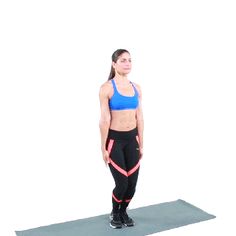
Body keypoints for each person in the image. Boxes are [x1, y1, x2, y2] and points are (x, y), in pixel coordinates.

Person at [99, 49, 144, 229]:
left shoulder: (136, 88)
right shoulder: (107, 88)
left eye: (130, 60)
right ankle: (114, 212)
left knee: (132, 184)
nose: (127, 63)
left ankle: (123, 211)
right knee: (122, 182)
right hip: (115, 141)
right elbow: (104, 120)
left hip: (132, 139)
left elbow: (140, 118)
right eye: (123, 60)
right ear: (114, 64)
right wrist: (103, 147)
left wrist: (142, 143)